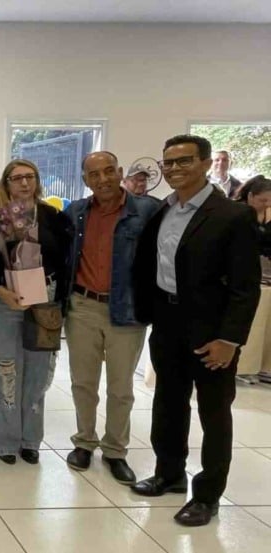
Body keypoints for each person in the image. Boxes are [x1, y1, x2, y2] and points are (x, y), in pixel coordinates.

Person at [131, 135, 260, 527]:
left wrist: (229, 340)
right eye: (168, 162)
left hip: (211, 331)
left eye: (184, 161)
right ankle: (169, 474)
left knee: (214, 411)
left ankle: (207, 495)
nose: (174, 169)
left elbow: (245, 286)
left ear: (205, 163)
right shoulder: (163, 211)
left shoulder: (232, 216)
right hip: (168, 322)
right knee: (167, 403)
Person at [62, 151, 160, 484]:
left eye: (108, 171)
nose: (102, 179)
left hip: (127, 309)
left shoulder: (147, 211)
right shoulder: (75, 212)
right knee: (83, 383)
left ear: (119, 172)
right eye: (94, 174)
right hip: (82, 307)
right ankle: (85, 442)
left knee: (121, 388)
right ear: (85, 179)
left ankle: (116, 450)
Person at [0, 159, 71, 465]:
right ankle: (4, 441)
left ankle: (30, 439)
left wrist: (61, 303)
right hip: (4, 301)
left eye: (30, 177)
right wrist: (0, 289)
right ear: (6, 183)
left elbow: (66, 260)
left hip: (45, 301)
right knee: (5, 372)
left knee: (37, 372)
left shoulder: (53, 217)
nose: (25, 183)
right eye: (17, 178)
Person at [238, 175, 271, 257]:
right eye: (263, 200)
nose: (268, 204)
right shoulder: (237, 213)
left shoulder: (268, 211)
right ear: (250, 196)